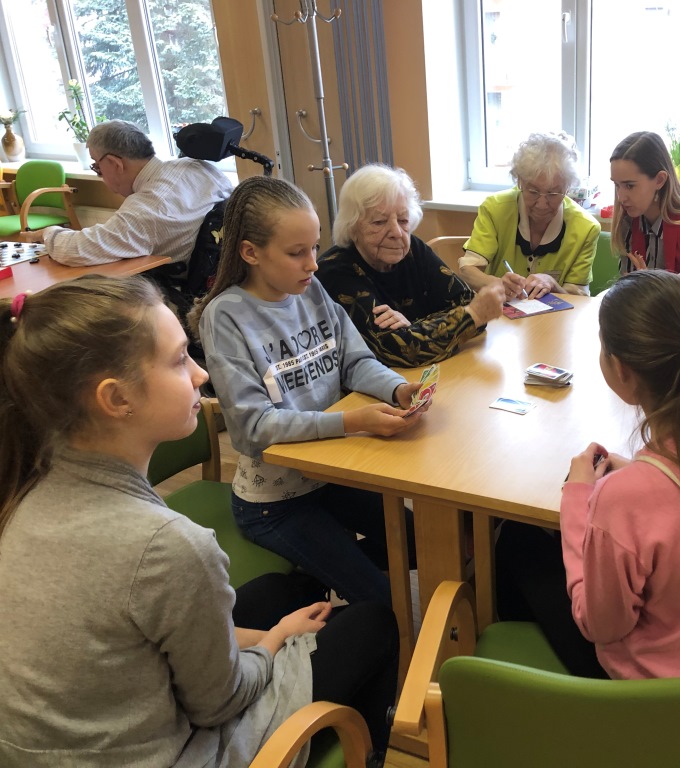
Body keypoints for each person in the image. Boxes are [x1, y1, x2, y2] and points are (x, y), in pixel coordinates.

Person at [0, 276, 398, 767]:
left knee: (278, 591)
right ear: (116, 399)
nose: (200, 374)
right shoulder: (167, 545)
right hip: (181, 753)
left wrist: (266, 634)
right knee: (374, 621)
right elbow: (219, 704)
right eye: (178, 360)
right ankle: (364, 752)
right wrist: (275, 640)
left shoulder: (22, 491)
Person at [496, 271, 680, 680]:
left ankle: (538, 691)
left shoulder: (624, 497)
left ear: (621, 370)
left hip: (642, 681)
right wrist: (640, 472)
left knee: (515, 539)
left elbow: (601, 626)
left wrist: (578, 496)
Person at [189, 176, 423, 607]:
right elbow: (253, 428)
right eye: (297, 252)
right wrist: (350, 422)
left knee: (420, 542)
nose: (313, 264)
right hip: (275, 502)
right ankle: (307, 586)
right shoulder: (226, 316)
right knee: (384, 603)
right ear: (250, 253)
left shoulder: (309, 289)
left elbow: (354, 361)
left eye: (315, 247)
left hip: (331, 476)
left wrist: (397, 389)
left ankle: (316, 577)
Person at [318, 164, 504, 367]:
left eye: (403, 220)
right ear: (352, 226)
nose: (396, 232)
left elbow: (467, 302)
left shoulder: (412, 249)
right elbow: (398, 351)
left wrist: (411, 328)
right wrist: (471, 316)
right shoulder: (335, 272)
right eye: (379, 222)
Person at [26, 119, 234, 267]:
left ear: (115, 163)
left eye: (97, 166)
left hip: (176, 293)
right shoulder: (198, 167)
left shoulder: (145, 209)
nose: (99, 174)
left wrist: (47, 233)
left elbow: (77, 250)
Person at [460, 131, 600, 299]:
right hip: (497, 310)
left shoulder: (586, 228)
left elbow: (579, 299)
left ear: (568, 187)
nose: (541, 204)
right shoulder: (495, 209)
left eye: (553, 193)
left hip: (556, 316)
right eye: (533, 191)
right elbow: (467, 271)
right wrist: (497, 284)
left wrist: (552, 284)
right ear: (520, 181)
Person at [609, 131, 680, 274]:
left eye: (630, 186)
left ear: (659, 180)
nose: (621, 198)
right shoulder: (628, 223)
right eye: (617, 185)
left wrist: (649, 283)